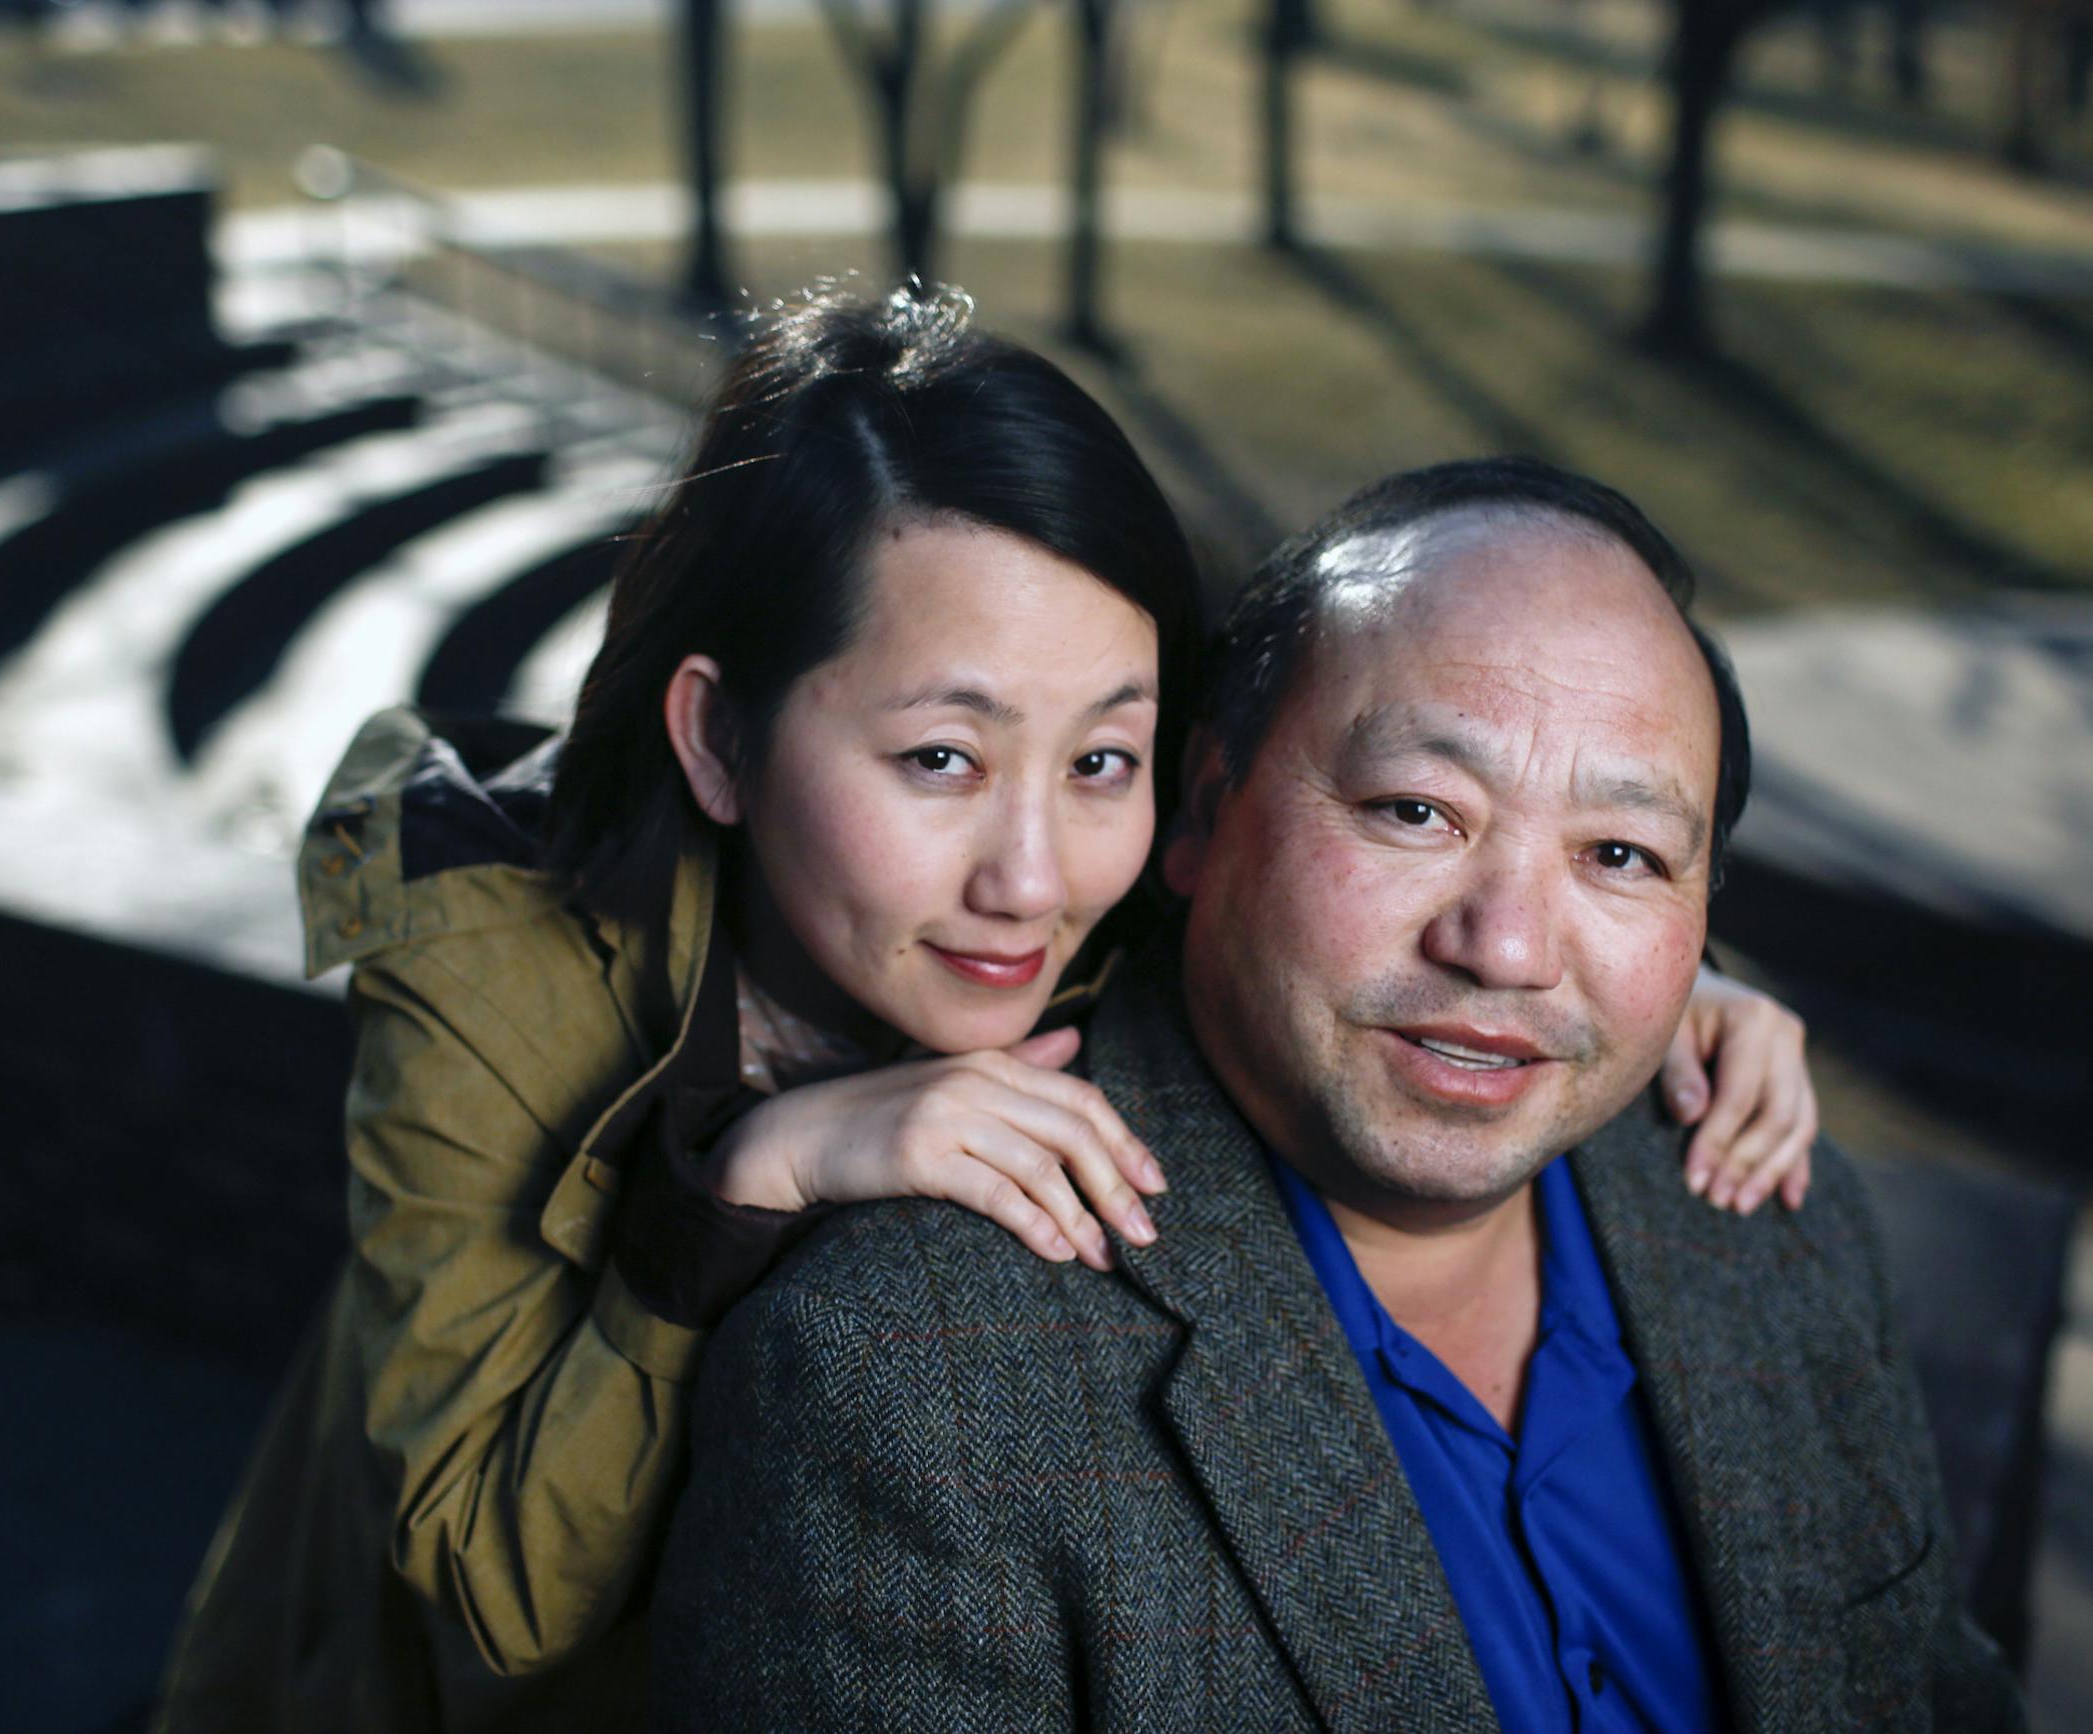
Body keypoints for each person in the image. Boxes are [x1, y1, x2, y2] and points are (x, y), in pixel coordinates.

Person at [153, 291, 1817, 1732]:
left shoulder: (1115, 886)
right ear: (721, 740)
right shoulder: (489, 953)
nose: (1033, 874)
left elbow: (1352, 887)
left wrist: (1644, 990)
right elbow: (505, 1583)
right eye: (939, 757)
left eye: (1102, 756)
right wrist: (749, 1183)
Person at [645, 458, 2024, 1731]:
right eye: (1416, 810)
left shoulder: (1774, 1217)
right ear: (1199, 811)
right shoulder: (902, 1383)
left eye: (1620, 851)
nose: (1509, 946)